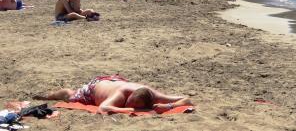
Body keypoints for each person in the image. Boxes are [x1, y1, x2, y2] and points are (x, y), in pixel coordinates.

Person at [35, 75, 193, 114]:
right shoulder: (122, 94)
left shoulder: (153, 94)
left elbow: (187, 100)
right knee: (70, 96)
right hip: (94, 89)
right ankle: (50, 95)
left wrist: (169, 106)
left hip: (113, 81)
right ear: (129, 96)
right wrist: (134, 110)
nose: (128, 106)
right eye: (129, 102)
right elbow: (103, 108)